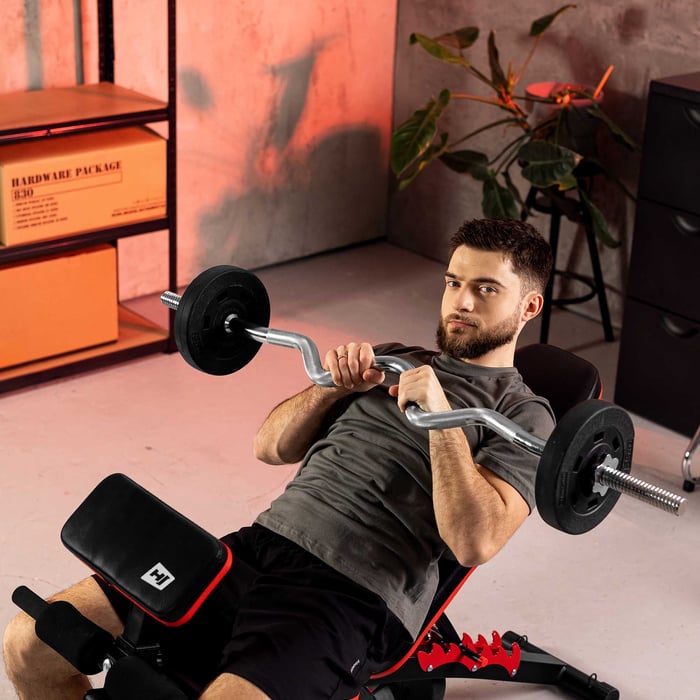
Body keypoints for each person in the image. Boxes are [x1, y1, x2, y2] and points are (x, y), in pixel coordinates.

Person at [4, 218, 555, 700]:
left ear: (529, 306)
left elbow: (474, 543)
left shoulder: (524, 417)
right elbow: (269, 447)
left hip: (349, 596)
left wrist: (443, 416)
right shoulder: (392, 358)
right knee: (30, 641)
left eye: (486, 289)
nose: (461, 302)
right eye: (454, 283)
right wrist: (330, 386)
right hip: (255, 548)